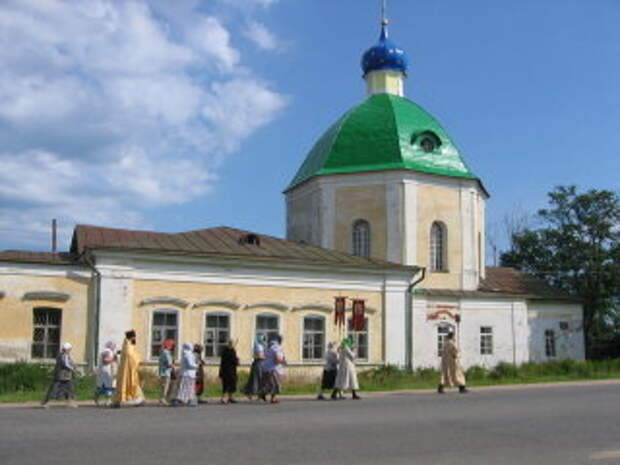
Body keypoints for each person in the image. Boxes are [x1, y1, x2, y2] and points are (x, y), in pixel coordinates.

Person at [113, 330, 145, 407]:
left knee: (128, 382)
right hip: (129, 369)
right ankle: (131, 398)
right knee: (132, 382)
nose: (135, 338)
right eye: (134, 337)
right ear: (132, 337)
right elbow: (131, 356)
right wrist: (138, 359)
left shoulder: (126, 344)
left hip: (127, 369)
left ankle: (129, 398)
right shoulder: (128, 346)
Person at [41, 342, 77, 408]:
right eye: (69, 349)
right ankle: (46, 402)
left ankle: (69, 402)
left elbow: (67, 362)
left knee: (69, 388)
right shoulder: (64, 355)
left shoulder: (60, 355)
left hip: (62, 375)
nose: (69, 350)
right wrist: (72, 368)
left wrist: (73, 364)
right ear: (67, 349)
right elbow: (66, 364)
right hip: (62, 375)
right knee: (55, 389)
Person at [260, 335, 286, 404]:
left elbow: (264, 356)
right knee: (276, 384)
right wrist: (283, 361)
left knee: (269, 384)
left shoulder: (267, 346)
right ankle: (270, 397)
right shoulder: (277, 347)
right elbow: (278, 359)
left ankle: (264, 393)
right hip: (274, 369)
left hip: (266, 368)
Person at [173, 342, 198, 406]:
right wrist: (196, 365)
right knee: (186, 387)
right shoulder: (188, 354)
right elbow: (190, 364)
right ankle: (180, 399)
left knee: (187, 387)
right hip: (188, 374)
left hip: (186, 373)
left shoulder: (184, 354)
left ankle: (187, 400)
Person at [242, 334, 266, 400]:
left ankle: (258, 394)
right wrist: (266, 357)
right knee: (258, 379)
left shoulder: (258, 346)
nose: (264, 341)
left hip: (257, 364)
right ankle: (255, 394)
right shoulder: (259, 346)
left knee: (255, 379)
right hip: (259, 364)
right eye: (263, 339)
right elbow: (259, 356)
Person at [95, 341, 118, 407]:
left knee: (108, 387)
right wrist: (113, 358)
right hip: (106, 372)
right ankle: (106, 400)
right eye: (113, 346)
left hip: (107, 371)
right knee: (108, 387)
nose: (114, 348)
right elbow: (105, 360)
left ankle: (107, 400)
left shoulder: (109, 352)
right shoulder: (107, 351)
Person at [219, 340, 239, 404]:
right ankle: (224, 398)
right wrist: (237, 360)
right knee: (227, 384)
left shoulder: (225, 351)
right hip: (229, 370)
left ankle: (230, 397)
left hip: (227, 370)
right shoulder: (231, 351)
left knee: (230, 384)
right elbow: (234, 361)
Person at [158, 339, 175, 404]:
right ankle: (162, 398)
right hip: (166, 372)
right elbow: (169, 364)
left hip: (163, 372)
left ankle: (163, 398)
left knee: (164, 386)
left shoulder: (163, 352)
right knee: (165, 386)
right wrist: (173, 366)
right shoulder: (166, 353)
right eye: (172, 345)